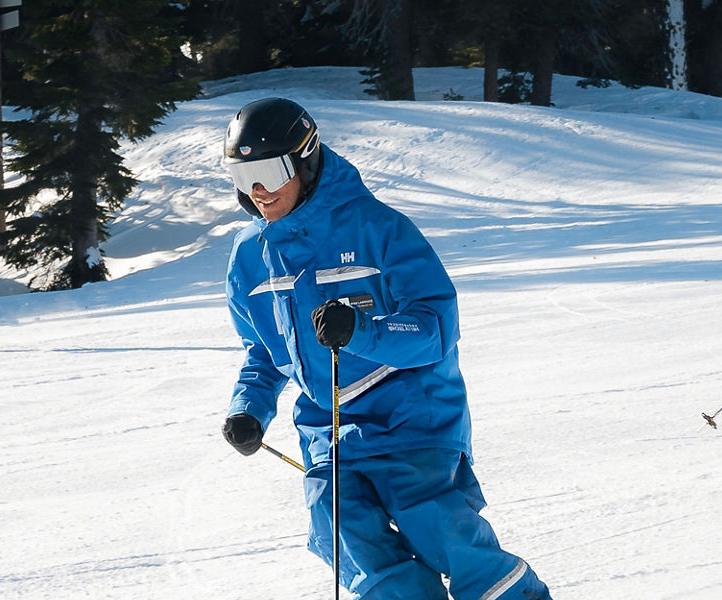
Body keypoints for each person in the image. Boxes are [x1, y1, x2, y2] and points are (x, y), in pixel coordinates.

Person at [214, 97, 550, 600]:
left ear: (305, 160)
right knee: (348, 540)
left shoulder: (379, 230)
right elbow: (264, 352)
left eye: (268, 171)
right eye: (243, 177)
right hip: (328, 430)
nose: (257, 191)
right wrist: (249, 410)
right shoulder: (248, 257)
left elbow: (435, 328)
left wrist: (362, 330)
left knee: (443, 536)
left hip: (412, 419)